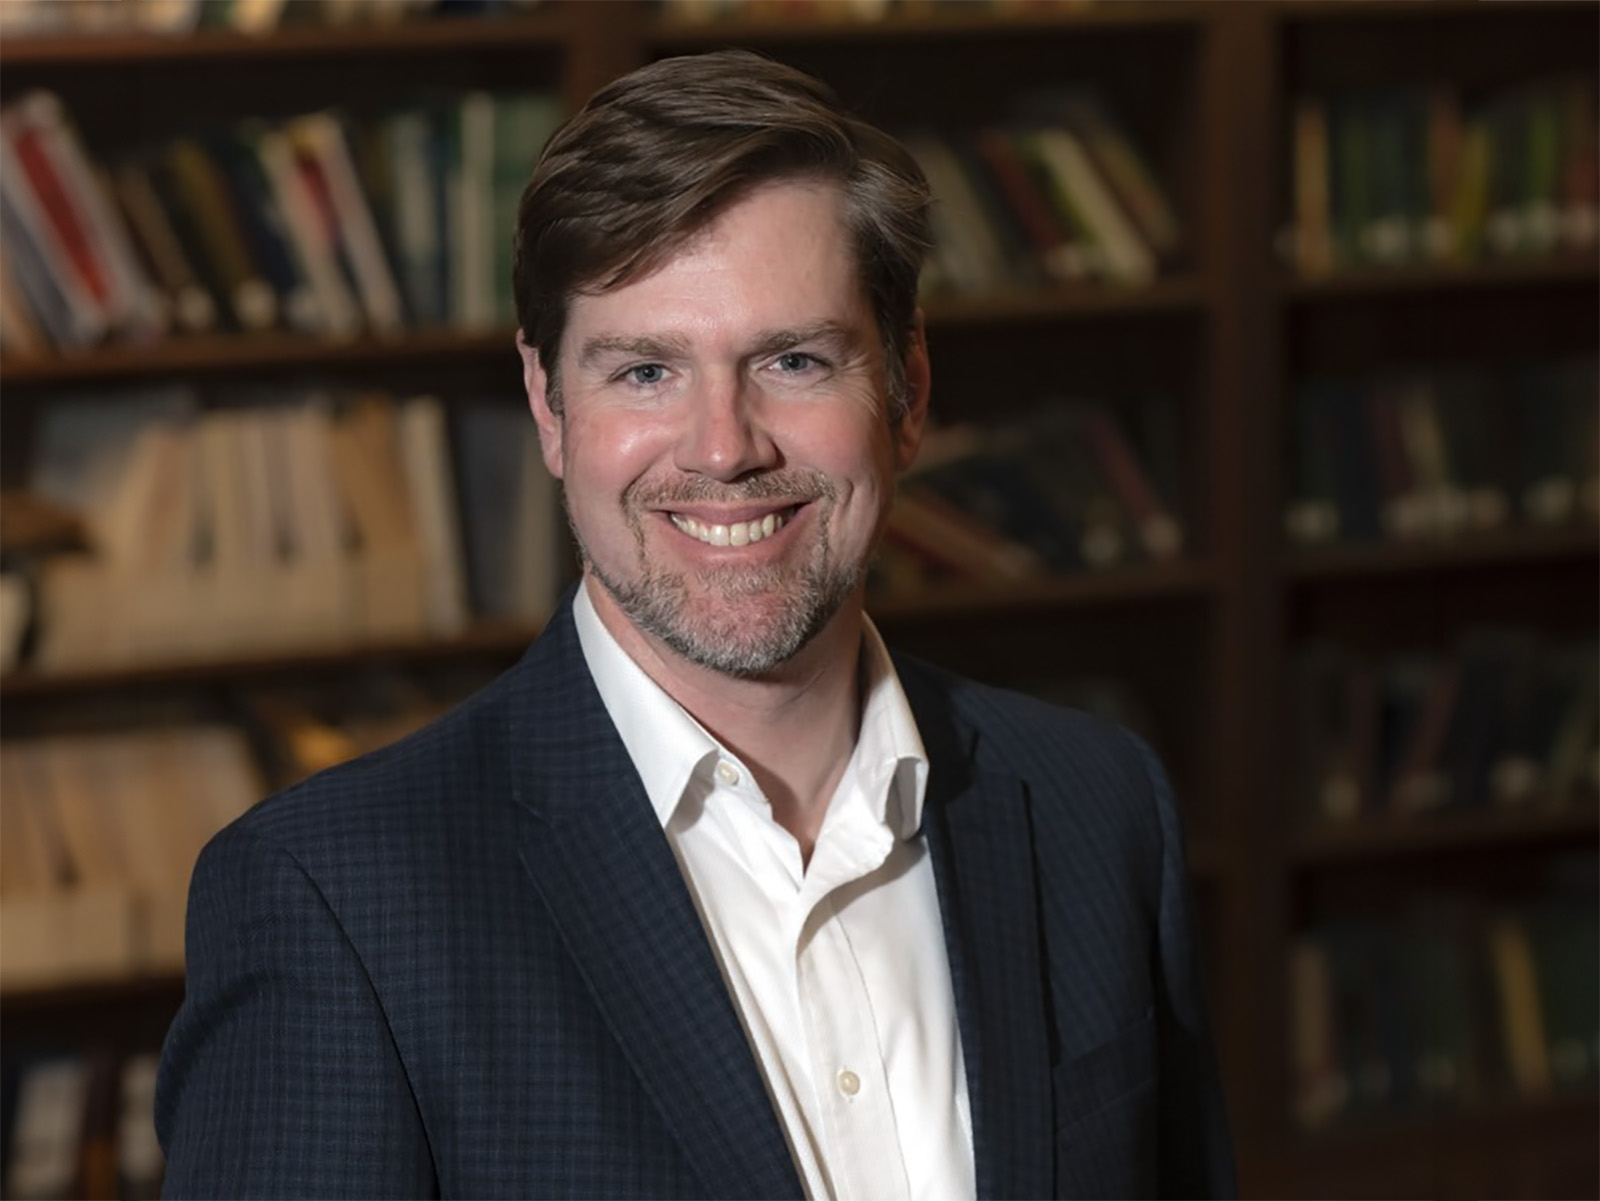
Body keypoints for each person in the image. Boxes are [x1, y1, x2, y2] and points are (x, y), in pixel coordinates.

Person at [155, 49, 1235, 1200]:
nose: (724, 448)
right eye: (645, 372)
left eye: (793, 359)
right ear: (549, 407)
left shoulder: (1095, 806)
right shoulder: (336, 901)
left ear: (907, 392)